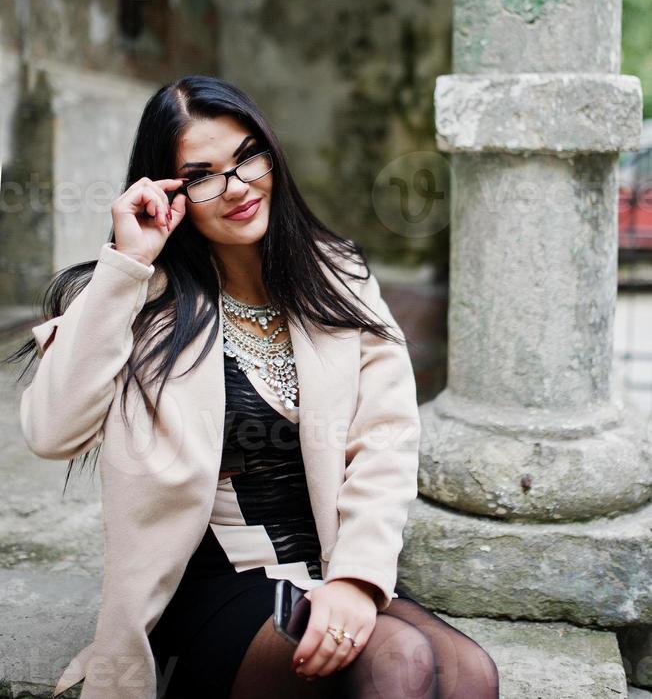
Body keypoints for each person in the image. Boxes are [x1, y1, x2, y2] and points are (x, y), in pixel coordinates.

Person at [12, 75, 499, 699]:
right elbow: (52, 433)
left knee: (467, 674)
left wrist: (354, 580)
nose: (237, 188)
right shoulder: (130, 297)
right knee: (398, 660)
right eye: (203, 174)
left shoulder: (336, 276)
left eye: (247, 157)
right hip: (213, 581)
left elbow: (387, 440)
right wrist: (128, 265)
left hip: (328, 560)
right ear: (167, 191)